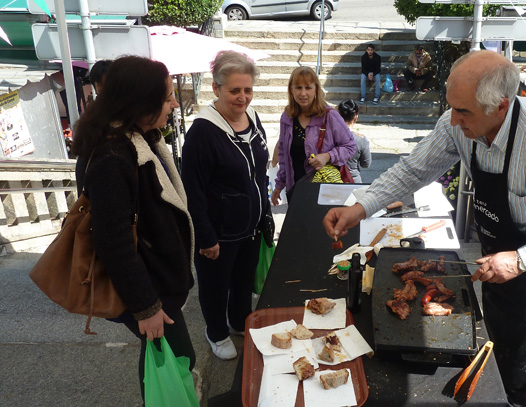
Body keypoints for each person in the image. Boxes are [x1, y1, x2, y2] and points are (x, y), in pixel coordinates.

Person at [323, 50, 526, 406]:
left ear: (501, 106)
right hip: (494, 244)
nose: (453, 121)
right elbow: (415, 170)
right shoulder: (457, 121)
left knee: (520, 359)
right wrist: (360, 207)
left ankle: (514, 399)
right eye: (452, 107)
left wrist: (522, 260)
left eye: (463, 112)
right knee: (488, 331)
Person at [71, 56, 195, 403]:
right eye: (167, 96)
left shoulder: (138, 137)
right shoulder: (113, 156)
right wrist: (147, 308)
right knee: (177, 357)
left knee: (166, 359)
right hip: (146, 288)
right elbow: (114, 242)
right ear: (140, 103)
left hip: (156, 278)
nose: (174, 102)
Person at [181, 51, 273, 360]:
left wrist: (266, 215)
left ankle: (238, 321)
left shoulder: (254, 117)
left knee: (244, 281)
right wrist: (205, 238)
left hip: (250, 226)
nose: (242, 97)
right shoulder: (202, 133)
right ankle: (216, 332)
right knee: (215, 286)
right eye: (235, 90)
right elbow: (192, 191)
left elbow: (260, 173)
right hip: (219, 232)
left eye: (247, 90)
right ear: (216, 88)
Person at [271, 66, 356, 205]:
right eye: (298, 87)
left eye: (308, 88)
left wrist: (328, 156)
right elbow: (284, 155)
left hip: (324, 191)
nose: (303, 93)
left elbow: (350, 146)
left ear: (316, 89)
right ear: (291, 90)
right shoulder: (287, 117)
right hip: (296, 190)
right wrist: (279, 184)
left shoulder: (329, 116)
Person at [337, 99, 371, 183]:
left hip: (330, 179)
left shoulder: (328, 136)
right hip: (353, 181)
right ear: (355, 118)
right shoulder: (361, 140)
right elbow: (366, 164)